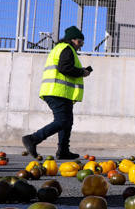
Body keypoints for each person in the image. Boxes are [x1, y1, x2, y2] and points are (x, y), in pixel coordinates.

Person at [22, 26, 92, 160]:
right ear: (72, 40)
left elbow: (65, 67)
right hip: (57, 91)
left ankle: (63, 151)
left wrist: (81, 71)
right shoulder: (66, 49)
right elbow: (64, 68)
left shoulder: (62, 49)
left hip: (61, 92)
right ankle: (32, 139)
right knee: (62, 121)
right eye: (80, 42)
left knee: (67, 122)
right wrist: (81, 72)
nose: (81, 45)